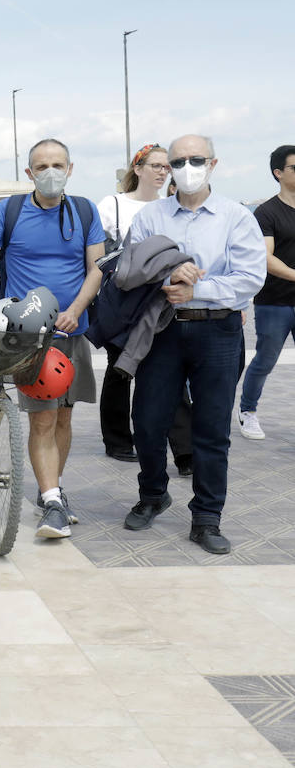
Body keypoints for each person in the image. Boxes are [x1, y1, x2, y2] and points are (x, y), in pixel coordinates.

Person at [0, 139, 105, 540]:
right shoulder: (10, 211)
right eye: (42, 165)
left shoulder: (84, 210)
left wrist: (77, 309)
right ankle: (51, 503)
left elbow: (96, 269)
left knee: (64, 416)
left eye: (58, 164)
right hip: (26, 337)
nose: (51, 171)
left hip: (71, 331)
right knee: (43, 418)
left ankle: (54, 491)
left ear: (70, 167)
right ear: (29, 173)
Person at [121, 136, 265, 554]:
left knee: (211, 430)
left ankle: (206, 517)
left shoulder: (237, 217)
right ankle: (152, 494)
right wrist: (170, 280)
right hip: (162, 330)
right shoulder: (151, 216)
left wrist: (196, 290)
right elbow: (132, 269)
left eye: (195, 159)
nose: (186, 167)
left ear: (213, 163)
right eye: (178, 160)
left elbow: (250, 277)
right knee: (148, 420)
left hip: (217, 332)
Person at [96, 144, 194, 469]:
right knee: (119, 371)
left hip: (162, 304)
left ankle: (185, 451)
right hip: (125, 302)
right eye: (155, 165)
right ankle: (118, 440)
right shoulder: (112, 205)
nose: (162, 171)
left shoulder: (173, 207)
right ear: (137, 169)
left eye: (167, 167)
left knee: (172, 374)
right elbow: (97, 256)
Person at [238, 144, 295, 440]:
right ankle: (248, 410)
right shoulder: (266, 212)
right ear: (278, 173)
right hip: (275, 301)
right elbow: (266, 257)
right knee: (266, 358)